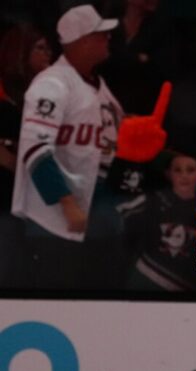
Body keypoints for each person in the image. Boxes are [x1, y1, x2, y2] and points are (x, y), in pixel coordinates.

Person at [10, 4, 124, 289]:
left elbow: (110, 145)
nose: (108, 38)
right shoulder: (52, 84)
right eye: (100, 34)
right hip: (50, 221)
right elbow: (35, 149)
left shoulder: (98, 86)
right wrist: (67, 204)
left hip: (91, 217)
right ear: (82, 41)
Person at [0, 24, 53, 287]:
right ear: (20, 52)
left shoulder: (48, 93)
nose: (48, 54)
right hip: (6, 200)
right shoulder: (4, 96)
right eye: (40, 48)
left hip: (35, 202)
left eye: (48, 48)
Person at [117, 150, 196, 293]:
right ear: (168, 174)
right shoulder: (150, 202)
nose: (184, 175)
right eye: (177, 170)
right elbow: (118, 221)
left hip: (188, 292)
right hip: (143, 282)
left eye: (190, 170)